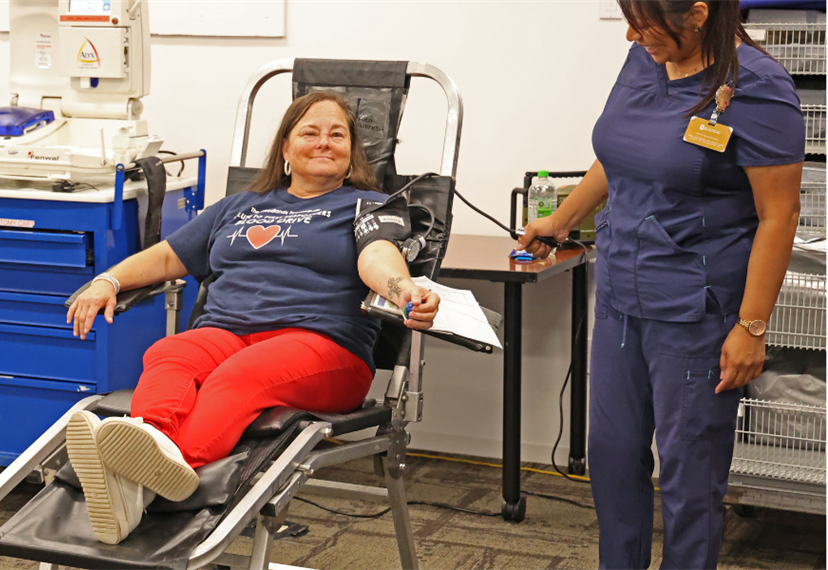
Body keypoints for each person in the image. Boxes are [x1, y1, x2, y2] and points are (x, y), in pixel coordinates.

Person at [64, 91, 442, 545]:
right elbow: (168, 257)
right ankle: (144, 455)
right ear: (285, 148)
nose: (324, 142)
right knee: (171, 352)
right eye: (310, 132)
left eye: (337, 135)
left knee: (238, 377)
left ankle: (140, 483)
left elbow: (378, 260)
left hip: (322, 345)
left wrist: (405, 294)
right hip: (226, 333)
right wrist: (108, 280)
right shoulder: (239, 206)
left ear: (351, 152)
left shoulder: (369, 206)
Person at [519, 1, 804, 568]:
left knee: (689, 474)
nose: (631, 33)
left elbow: (780, 214)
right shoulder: (644, 58)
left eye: (643, 21)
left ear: (697, 13)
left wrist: (751, 326)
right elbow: (619, 155)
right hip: (622, 296)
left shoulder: (759, 87)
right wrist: (562, 219)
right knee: (613, 457)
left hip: (697, 309)